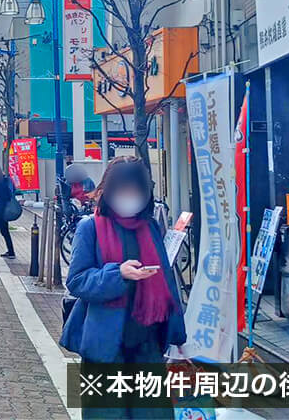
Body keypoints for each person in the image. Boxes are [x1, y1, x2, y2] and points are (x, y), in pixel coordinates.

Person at [60, 157, 186, 418]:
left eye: (135, 192)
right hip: (105, 345)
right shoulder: (90, 227)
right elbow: (77, 280)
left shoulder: (150, 227)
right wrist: (118, 274)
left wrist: (177, 332)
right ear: (108, 191)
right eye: (123, 191)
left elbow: (166, 281)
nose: (130, 197)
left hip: (147, 342)